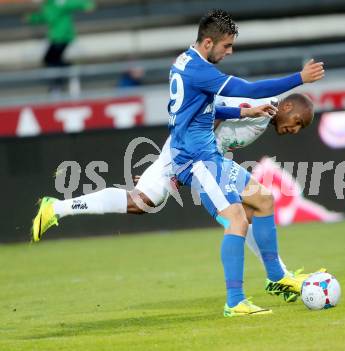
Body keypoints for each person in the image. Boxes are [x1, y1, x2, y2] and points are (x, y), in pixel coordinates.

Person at [31, 93, 320, 302]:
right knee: (144, 203)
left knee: (248, 206)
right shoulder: (260, 107)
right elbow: (214, 111)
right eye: (298, 121)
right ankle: (57, 207)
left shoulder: (264, 118)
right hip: (189, 154)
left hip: (197, 158)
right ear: (288, 106)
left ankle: (278, 276)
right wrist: (181, 165)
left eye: (301, 128)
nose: (295, 129)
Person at [166, 9, 325, 317]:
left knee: (263, 199)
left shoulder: (187, 61)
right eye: (226, 46)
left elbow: (205, 109)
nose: (230, 52)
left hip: (208, 156)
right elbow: (248, 91)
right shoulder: (199, 70)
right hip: (197, 160)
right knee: (237, 220)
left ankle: (277, 278)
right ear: (209, 42)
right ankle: (235, 301)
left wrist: (243, 113)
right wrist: (299, 78)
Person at [25, 0, 95, 90]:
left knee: (50, 59)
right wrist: (32, 18)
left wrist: (87, 4)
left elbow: (73, 3)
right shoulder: (47, 6)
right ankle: (62, 78)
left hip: (63, 36)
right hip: (55, 37)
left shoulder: (57, 3)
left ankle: (60, 81)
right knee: (53, 60)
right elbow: (47, 17)